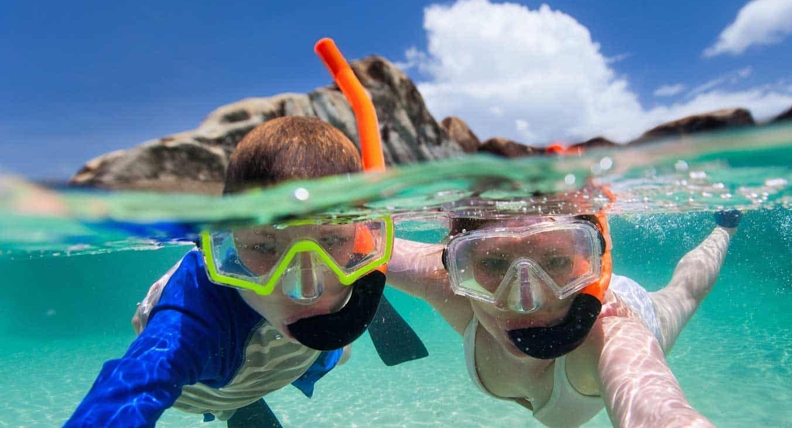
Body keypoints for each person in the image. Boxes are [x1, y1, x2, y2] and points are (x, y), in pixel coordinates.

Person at [66, 39, 427, 428]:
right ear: (225, 243)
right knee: (234, 382)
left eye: (331, 240)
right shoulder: (192, 322)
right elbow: (129, 390)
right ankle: (236, 407)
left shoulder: (335, 275)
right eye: (264, 247)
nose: (305, 289)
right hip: (211, 385)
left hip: (301, 355)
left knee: (336, 347)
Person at [387, 192, 741, 428]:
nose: (526, 302)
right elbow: (364, 244)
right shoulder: (451, 286)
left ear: (593, 259)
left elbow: (659, 411)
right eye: (494, 263)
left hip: (626, 303)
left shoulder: (612, 339)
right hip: (572, 284)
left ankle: (725, 229)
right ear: (458, 267)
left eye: (555, 260)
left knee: (684, 292)